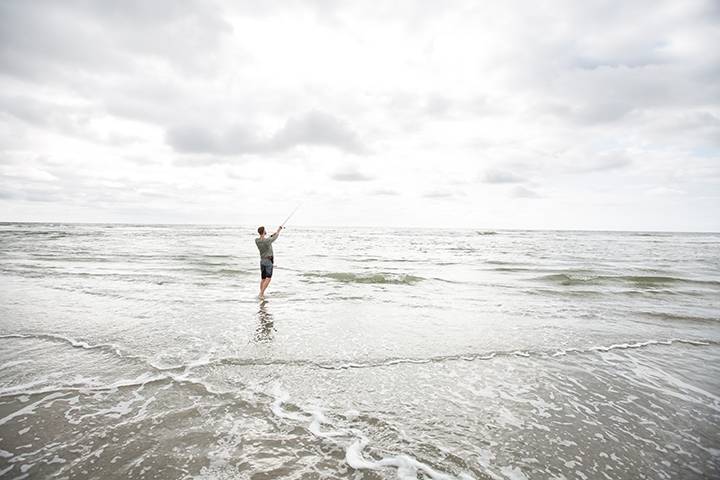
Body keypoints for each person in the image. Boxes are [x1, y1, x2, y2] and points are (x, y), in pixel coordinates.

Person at [255, 225, 282, 297]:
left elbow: (267, 239)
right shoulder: (267, 241)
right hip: (268, 261)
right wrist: (278, 231)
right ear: (264, 232)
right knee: (268, 278)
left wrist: (272, 235)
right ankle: (261, 293)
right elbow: (274, 238)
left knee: (263, 278)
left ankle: (261, 293)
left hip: (262, 261)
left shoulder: (257, 241)